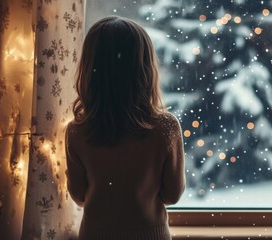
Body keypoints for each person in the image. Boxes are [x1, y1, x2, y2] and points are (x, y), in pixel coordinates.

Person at [65, 16, 185, 240]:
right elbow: (172, 195)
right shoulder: (166, 127)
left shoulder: (77, 131)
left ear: (90, 70)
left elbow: (80, 195)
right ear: (145, 70)